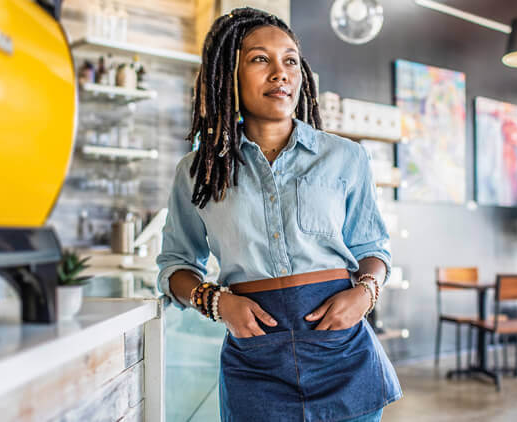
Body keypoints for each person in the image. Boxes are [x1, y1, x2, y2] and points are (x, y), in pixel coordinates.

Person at [156, 7, 402, 422]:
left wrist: (364, 294)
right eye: (259, 59)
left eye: (290, 60)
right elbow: (176, 266)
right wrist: (215, 302)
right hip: (255, 363)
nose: (280, 72)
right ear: (228, 74)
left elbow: (372, 248)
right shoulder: (198, 171)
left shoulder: (346, 157)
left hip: (342, 353)